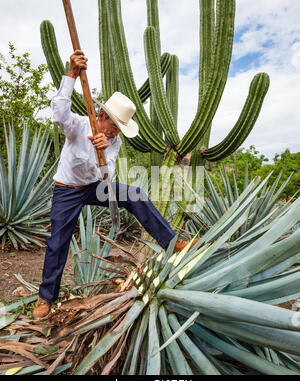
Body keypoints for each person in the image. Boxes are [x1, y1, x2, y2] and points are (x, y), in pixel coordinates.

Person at [33, 50, 199, 319]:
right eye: (115, 125)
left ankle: (171, 242)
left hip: (93, 185)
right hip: (66, 189)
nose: (117, 131)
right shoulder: (77, 125)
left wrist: (100, 153)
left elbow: (106, 174)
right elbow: (58, 112)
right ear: (101, 115)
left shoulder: (114, 140)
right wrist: (71, 74)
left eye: (121, 128)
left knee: (134, 194)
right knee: (58, 242)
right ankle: (45, 297)